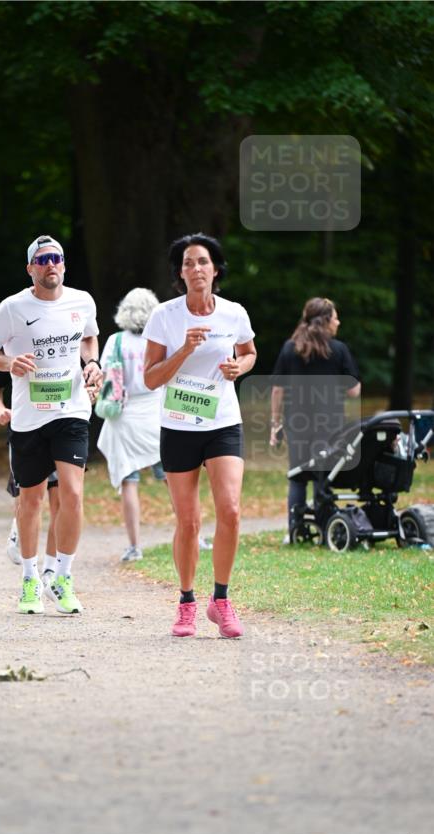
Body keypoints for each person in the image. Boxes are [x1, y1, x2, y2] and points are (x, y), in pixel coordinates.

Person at [0, 234, 103, 615]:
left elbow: (89, 338)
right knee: (30, 500)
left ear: (64, 264)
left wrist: (92, 363)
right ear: (31, 268)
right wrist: (7, 363)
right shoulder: (12, 308)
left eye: (56, 258)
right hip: (29, 418)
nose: (51, 265)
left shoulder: (82, 301)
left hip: (71, 411)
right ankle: (30, 579)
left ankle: (61, 576)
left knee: (72, 494)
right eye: (43, 260)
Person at [143, 232, 257, 639]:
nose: (196, 269)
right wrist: (184, 351)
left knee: (231, 510)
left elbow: (249, 352)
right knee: (188, 522)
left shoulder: (233, 313)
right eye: (188, 263)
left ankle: (221, 600)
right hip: (179, 425)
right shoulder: (165, 316)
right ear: (180, 273)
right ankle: (187, 602)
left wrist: (239, 368)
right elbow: (150, 377)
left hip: (222, 421)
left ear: (215, 270)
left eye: (202, 262)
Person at [270, 297, 361, 541]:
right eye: (335, 318)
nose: (338, 322)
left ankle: (295, 530)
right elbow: (354, 391)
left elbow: (277, 390)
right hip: (329, 425)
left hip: (297, 424)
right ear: (326, 321)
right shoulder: (338, 350)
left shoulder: (289, 348)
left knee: (297, 476)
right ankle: (323, 528)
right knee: (323, 475)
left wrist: (275, 424)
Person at [97, 288, 165, 561]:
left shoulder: (115, 341)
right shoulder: (159, 340)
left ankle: (135, 546)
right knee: (173, 478)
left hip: (124, 416)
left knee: (129, 480)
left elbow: (105, 376)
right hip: (157, 414)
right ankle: (193, 535)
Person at [0, 369, 60, 580]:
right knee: (29, 500)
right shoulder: (19, 352)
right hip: (25, 432)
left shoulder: (71, 350)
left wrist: (91, 390)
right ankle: (18, 529)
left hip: (63, 430)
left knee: (60, 501)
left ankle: (50, 569)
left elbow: (88, 381)